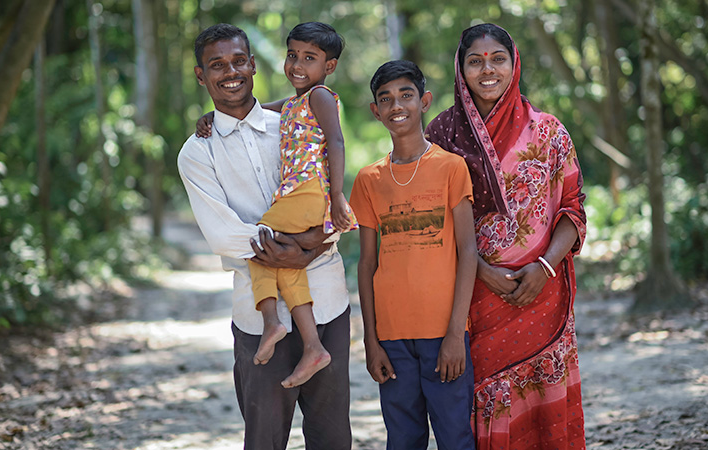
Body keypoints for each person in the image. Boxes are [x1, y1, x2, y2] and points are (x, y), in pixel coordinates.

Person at [177, 23, 351, 450]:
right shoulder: (198, 152)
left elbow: (327, 195)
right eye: (216, 65)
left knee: (332, 438)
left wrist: (313, 244)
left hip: (327, 301)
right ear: (201, 76)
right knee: (265, 439)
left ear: (253, 64)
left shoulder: (295, 120)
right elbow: (223, 236)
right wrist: (299, 246)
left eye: (239, 61)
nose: (230, 72)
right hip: (259, 318)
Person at [424, 23, 587, 450]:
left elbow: (572, 208)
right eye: (475, 61)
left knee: (544, 399)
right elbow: (434, 225)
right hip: (475, 297)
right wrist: (481, 272)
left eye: (498, 59)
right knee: (489, 400)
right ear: (461, 70)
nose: (487, 70)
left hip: (543, 291)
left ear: (514, 64)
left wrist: (545, 266)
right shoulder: (441, 137)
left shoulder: (549, 131)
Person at [351, 60, 477, 450]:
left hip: (445, 334)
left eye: (406, 95)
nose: (396, 105)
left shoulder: (451, 168)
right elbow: (367, 264)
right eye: (385, 99)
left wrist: (456, 332)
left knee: (455, 436)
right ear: (376, 111)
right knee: (403, 438)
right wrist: (371, 341)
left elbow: (468, 250)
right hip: (392, 338)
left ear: (424, 101)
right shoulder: (369, 179)